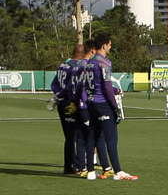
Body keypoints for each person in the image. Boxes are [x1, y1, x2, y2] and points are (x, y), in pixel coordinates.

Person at [81, 34, 136, 181]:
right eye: (110, 45)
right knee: (111, 137)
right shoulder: (104, 62)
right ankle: (117, 171)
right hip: (102, 103)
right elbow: (106, 85)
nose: (110, 48)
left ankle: (90, 171)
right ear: (104, 45)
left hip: (91, 103)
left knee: (93, 136)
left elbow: (88, 83)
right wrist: (114, 106)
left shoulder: (89, 62)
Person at [51, 44, 86, 175]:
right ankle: (77, 165)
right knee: (77, 135)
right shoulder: (75, 67)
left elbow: (54, 84)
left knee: (69, 136)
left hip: (61, 104)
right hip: (70, 104)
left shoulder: (62, 65)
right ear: (82, 54)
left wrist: (58, 96)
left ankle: (69, 166)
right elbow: (73, 86)